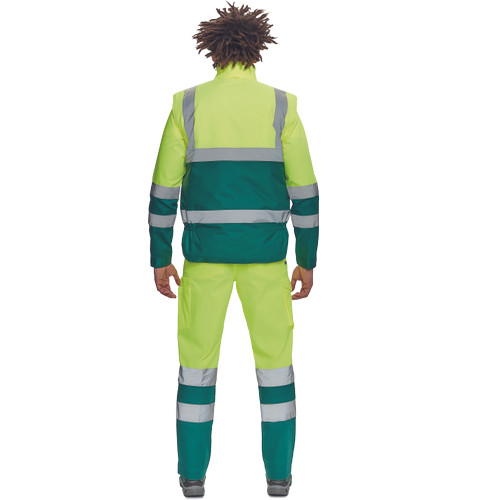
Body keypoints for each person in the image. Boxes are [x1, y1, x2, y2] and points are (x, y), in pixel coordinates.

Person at [148, 2, 319, 496]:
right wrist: (306, 259)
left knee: (196, 368)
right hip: (267, 261)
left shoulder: (187, 105)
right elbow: (305, 190)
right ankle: (279, 477)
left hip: (204, 260)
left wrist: (160, 257)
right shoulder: (282, 106)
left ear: (213, 51)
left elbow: (163, 189)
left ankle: (192, 477)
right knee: (276, 368)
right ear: (256, 50)